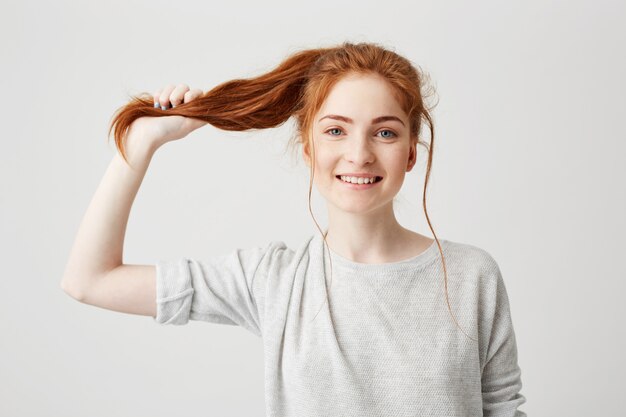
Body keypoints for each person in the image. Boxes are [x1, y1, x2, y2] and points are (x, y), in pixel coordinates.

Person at [61, 42, 527, 416]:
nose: (359, 154)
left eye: (384, 132)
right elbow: (89, 280)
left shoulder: (472, 276)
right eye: (335, 131)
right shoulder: (274, 280)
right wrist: (143, 143)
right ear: (307, 149)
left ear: (410, 151)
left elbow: (504, 409)